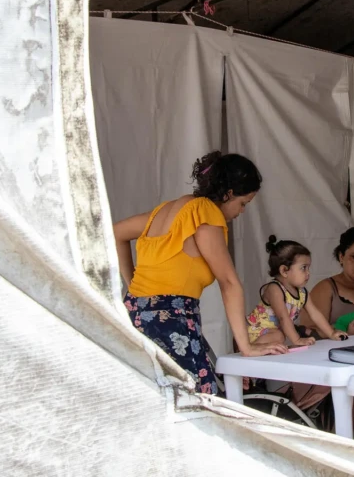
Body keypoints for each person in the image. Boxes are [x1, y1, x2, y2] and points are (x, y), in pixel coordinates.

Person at [114, 151, 286, 395]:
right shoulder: (205, 212)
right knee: (194, 400)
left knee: (152, 398)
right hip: (170, 320)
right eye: (243, 203)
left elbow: (116, 233)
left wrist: (133, 284)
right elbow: (229, 283)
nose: (241, 211)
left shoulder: (166, 210)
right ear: (228, 194)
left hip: (134, 314)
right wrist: (246, 347)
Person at [246, 236, 348, 347]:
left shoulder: (302, 293)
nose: (308, 273)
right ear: (284, 271)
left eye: (308, 268)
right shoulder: (275, 289)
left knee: (280, 337)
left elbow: (315, 314)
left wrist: (331, 333)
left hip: (272, 333)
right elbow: (283, 318)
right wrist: (297, 340)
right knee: (279, 336)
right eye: (303, 268)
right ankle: (251, 348)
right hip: (255, 334)